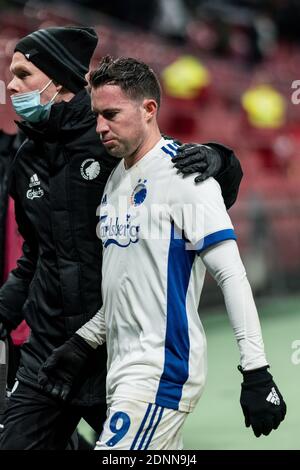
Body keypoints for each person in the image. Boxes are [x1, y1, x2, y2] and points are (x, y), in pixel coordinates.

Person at [0, 27, 243, 450]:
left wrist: (218, 158)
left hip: (116, 352)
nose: (11, 84)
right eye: (10, 74)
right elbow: (34, 257)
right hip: (48, 356)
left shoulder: (109, 140)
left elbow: (177, 170)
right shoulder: (25, 161)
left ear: (57, 79)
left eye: (23, 74)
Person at [38, 56, 286, 450]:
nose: (100, 126)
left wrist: (256, 370)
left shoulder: (186, 175)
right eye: (97, 115)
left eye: (111, 114)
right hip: (123, 371)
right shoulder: (116, 180)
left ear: (149, 109)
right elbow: (128, 283)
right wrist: (82, 342)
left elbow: (231, 276)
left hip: (161, 372)